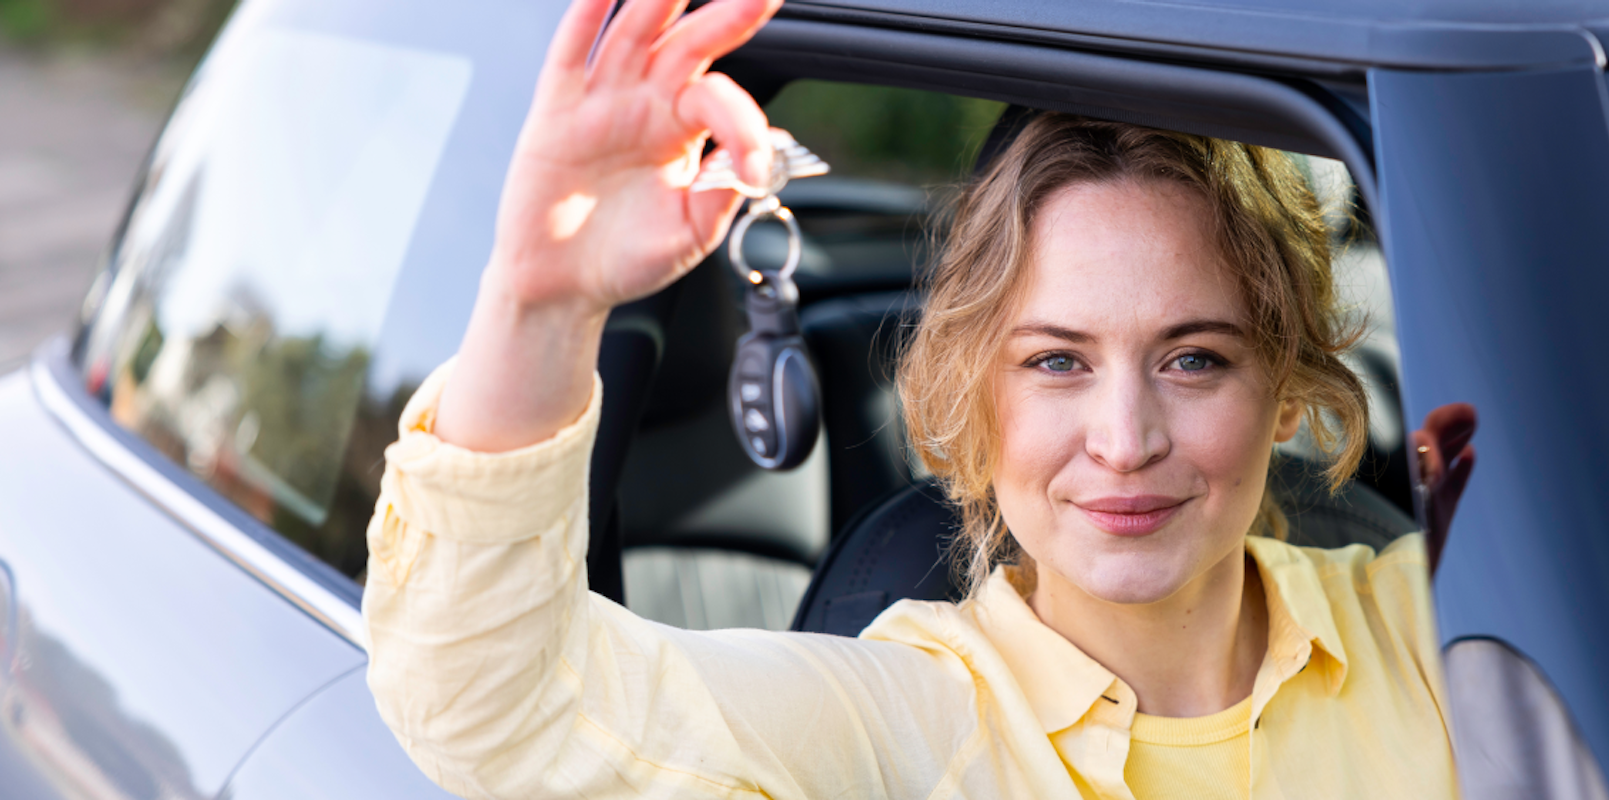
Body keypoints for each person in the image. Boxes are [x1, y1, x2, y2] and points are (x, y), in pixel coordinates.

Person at [362, 0, 1477, 796]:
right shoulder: (903, 719)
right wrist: (540, 296)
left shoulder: (1432, 626)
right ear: (970, 391)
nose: (1125, 438)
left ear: (1284, 387)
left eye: (1193, 359)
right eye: (1055, 361)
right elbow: (491, 704)